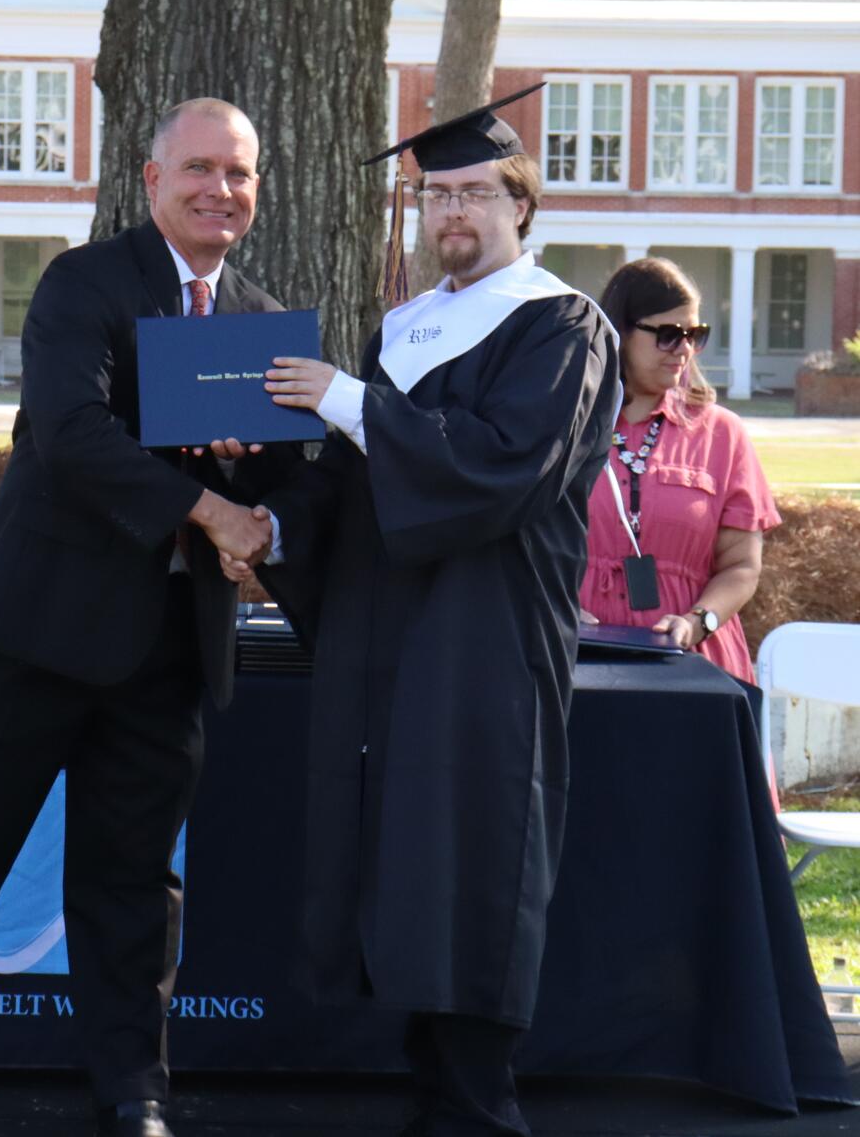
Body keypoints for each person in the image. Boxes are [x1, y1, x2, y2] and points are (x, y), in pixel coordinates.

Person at [0, 98, 293, 1137]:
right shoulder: (84, 284)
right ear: (152, 181)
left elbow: (281, 480)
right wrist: (205, 502)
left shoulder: (259, 320)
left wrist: (268, 506)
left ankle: (131, 1093)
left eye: (238, 174)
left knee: (135, 889)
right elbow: (68, 432)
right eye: (198, 169)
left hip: (169, 645)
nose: (219, 191)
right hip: (36, 634)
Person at [226, 87, 620, 1137]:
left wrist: (344, 400)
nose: (451, 210)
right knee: (398, 847)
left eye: (474, 191)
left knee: (474, 844)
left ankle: (480, 1104)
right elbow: (352, 484)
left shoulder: (560, 324)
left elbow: (500, 469)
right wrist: (266, 526)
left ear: (519, 205)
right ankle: (428, 1088)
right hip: (384, 627)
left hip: (484, 630)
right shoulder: (400, 329)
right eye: (433, 192)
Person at [579, 256, 780, 682]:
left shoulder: (723, 434)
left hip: (694, 668)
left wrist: (698, 621)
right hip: (578, 661)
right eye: (669, 335)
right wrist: (555, 607)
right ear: (621, 332)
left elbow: (742, 565)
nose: (685, 349)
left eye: (695, 334)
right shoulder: (569, 425)